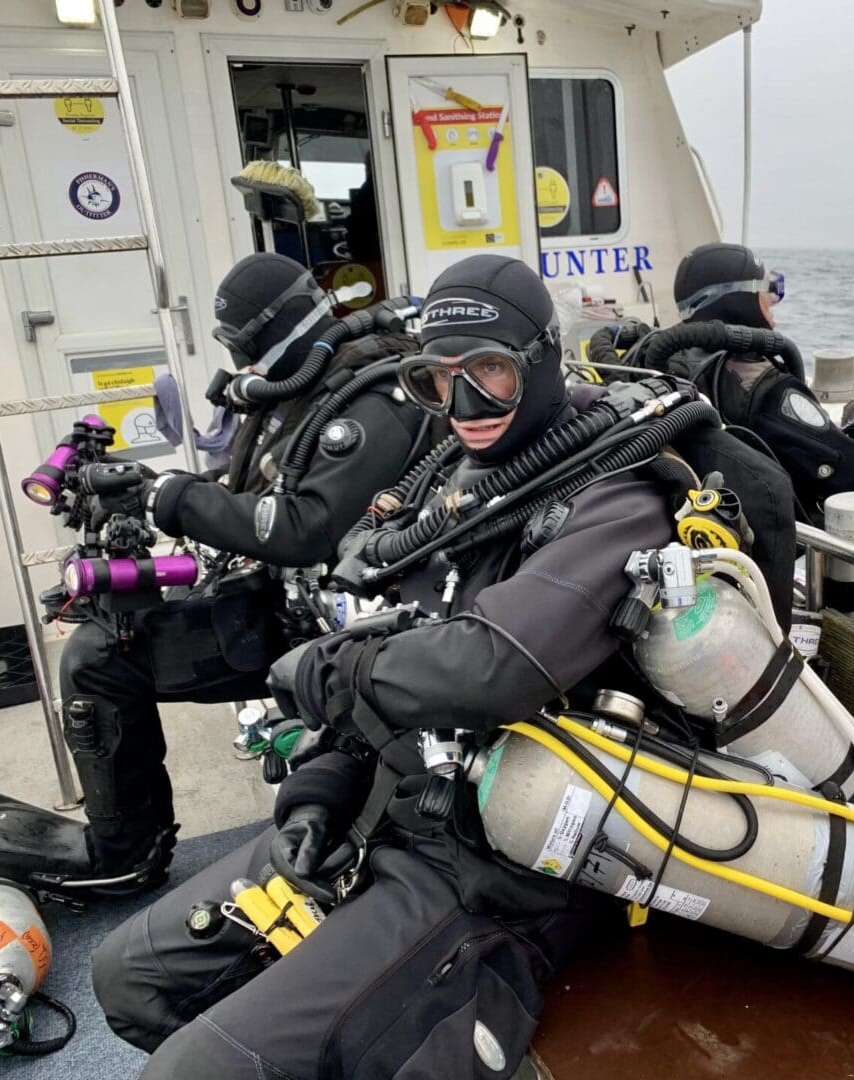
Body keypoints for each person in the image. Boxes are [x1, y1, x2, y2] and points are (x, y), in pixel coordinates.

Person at [91, 255, 685, 1078]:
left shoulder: (614, 494)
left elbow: (493, 666)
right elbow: (392, 630)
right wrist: (316, 795)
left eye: (491, 372)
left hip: (497, 867)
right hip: (385, 809)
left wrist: (331, 672)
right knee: (129, 978)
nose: (467, 407)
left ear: (541, 359)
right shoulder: (452, 483)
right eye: (439, 383)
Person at [58, 252, 432, 888]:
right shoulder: (297, 393)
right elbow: (251, 488)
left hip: (337, 636)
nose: (242, 365)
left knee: (98, 659)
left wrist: (175, 499)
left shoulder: (372, 400)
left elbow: (305, 528)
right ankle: (129, 850)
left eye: (246, 347)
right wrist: (150, 488)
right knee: (100, 649)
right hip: (276, 608)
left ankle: (126, 856)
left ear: (276, 329)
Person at [668, 242, 854, 519]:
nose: (773, 302)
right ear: (740, 300)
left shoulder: (674, 363)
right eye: (767, 291)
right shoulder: (765, 389)